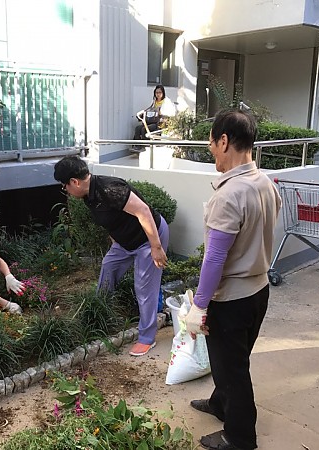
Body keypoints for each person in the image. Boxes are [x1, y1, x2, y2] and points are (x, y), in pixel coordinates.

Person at [182, 110, 281, 450]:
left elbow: (214, 259)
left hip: (233, 300)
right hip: (259, 292)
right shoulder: (266, 183)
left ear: (224, 141)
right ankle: (219, 404)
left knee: (232, 371)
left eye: (211, 142)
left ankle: (240, 438)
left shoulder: (229, 194)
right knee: (234, 360)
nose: (211, 150)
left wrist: (199, 305)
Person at [53, 155, 169, 356]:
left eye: (65, 186)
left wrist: (156, 247)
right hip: (125, 243)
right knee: (109, 266)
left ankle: (147, 338)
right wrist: (115, 240)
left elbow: (143, 211)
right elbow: (111, 218)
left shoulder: (109, 188)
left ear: (75, 182)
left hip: (148, 239)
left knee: (144, 286)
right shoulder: (88, 195)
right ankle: (100, 313)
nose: (66, 191)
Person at [132, 84, 175, 152]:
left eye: (160, 92)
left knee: (144, 129)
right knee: (138, 128)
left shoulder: (166, 102)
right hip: (152, 121)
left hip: (159, 123)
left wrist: (161, 113)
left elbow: (170, 113)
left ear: (163, 93)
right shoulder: (154, 101)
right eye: (156, 92)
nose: (158, 94)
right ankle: (138, 146)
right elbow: (150, 109)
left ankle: (145, 147)